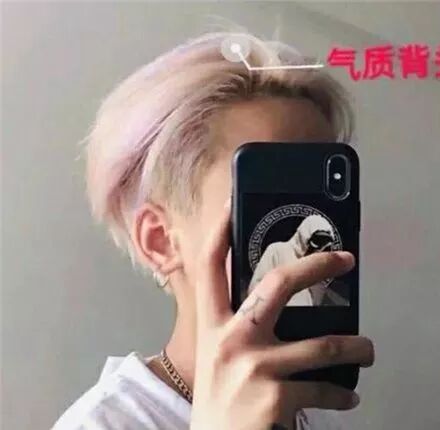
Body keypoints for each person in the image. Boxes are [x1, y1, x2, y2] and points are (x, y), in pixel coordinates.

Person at [52, 30, 375, 430]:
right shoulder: (104, 424)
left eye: (323, 202)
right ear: (160, 241)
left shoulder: (316, 411)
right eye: (266, 202)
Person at [248, 215, 347, 306]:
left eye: (324, 242)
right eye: (318, 239)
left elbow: (316, 298)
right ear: (305, 234)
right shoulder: (277, 250)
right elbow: (256, 287)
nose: (319, 246)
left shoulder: (317, 264)